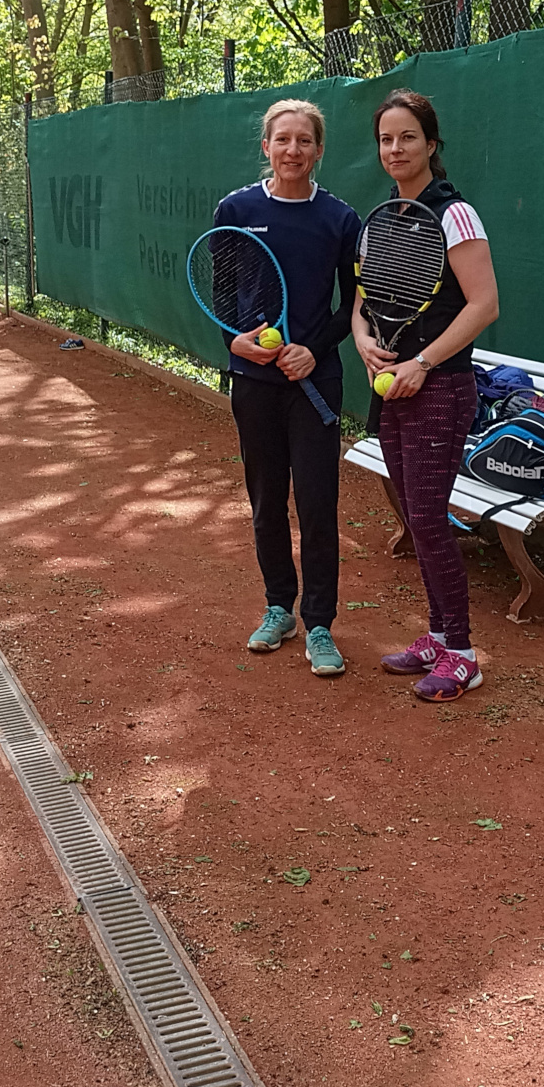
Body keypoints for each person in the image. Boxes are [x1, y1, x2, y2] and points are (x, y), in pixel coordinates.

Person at [351, 90, 500, 702]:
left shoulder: (455, 214)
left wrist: (422, 362)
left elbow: (484, 305)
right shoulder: (384, 218)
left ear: (431, 144)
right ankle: (437, 637)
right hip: (393, 389)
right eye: (386, 139)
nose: (395, 148)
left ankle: (462, 654)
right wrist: (365, 344)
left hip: (440, 388)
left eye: (407, 137)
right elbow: (364, 304)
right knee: (416, 520)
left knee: (432, 522)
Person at [214, 99, 362, 677]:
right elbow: (222, 294)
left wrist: (314, 349)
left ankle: (319, 623)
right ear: (266, 147)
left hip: (315, 381)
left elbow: (351, 305)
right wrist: (235, 342)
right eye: (283, 140)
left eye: (304, 141)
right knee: (266, 501)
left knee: (318, 504)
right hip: (254, 383)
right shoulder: (236, 209)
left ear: (319, 150)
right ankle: (280, 608)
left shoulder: (340, 219)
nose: (292, 150)